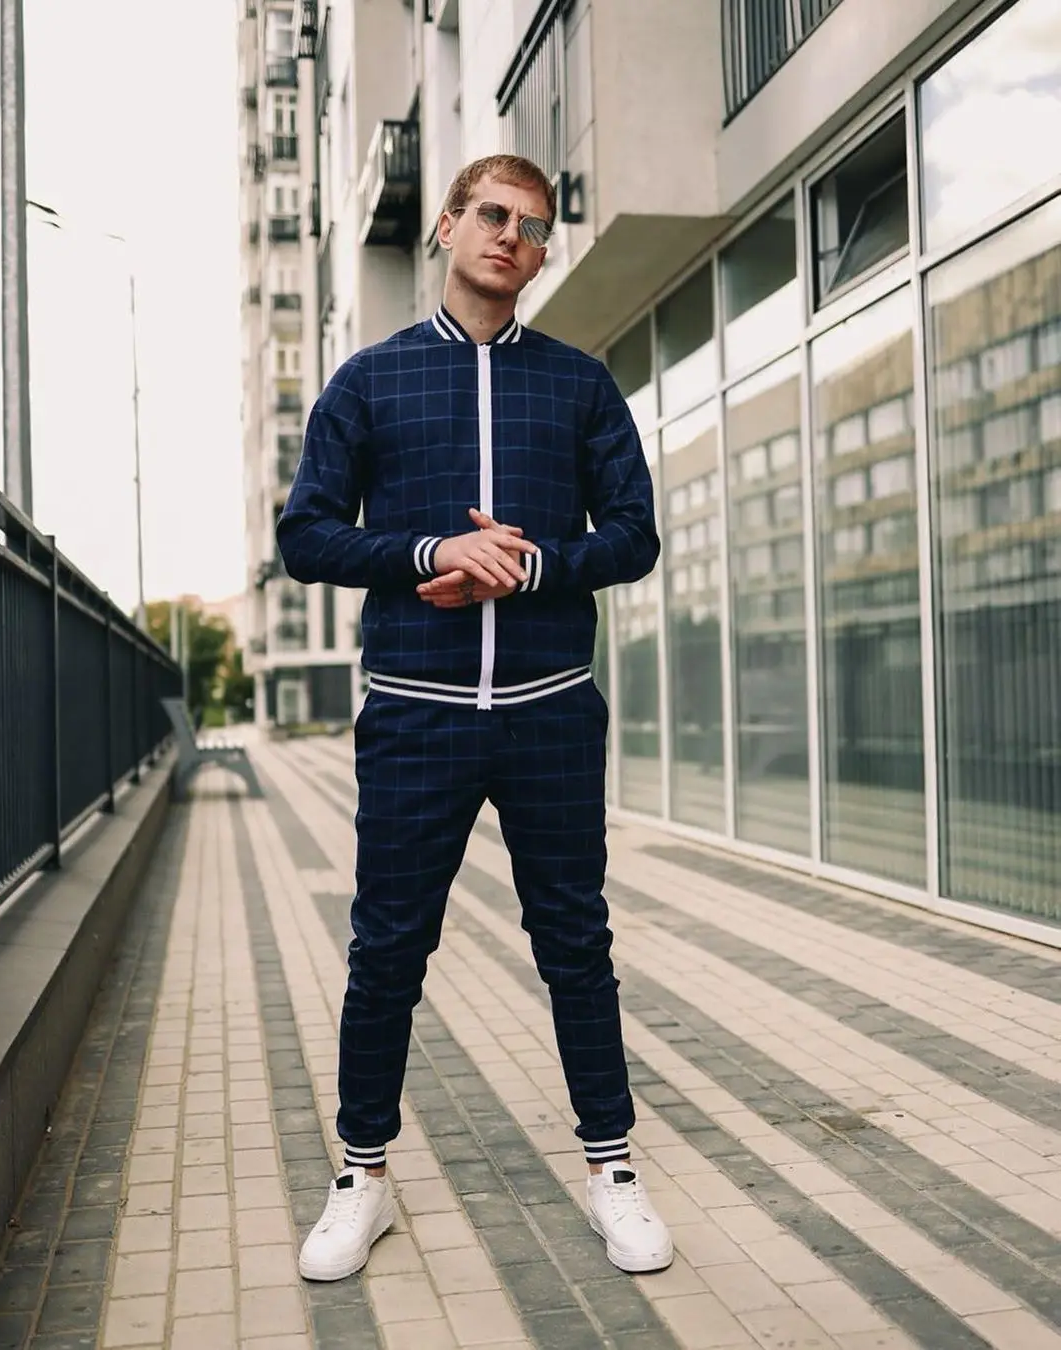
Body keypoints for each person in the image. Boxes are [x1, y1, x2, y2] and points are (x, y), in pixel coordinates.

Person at [276, 153, 672, 1281]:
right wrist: (430, 552)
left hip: (550, 712)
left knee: (575, 945)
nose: (511, 236)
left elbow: (634, 535)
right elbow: (306, 535)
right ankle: (362, 1178)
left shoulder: (579, 384)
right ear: (448, 226)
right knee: (388, 950)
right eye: (492, 215)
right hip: (416, 715)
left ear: (542, 255)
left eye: (533, 227)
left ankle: (612, 1170)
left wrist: (532, 565)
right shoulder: (370, 381)